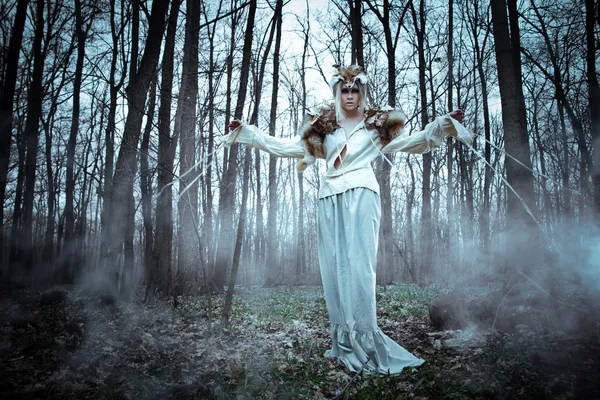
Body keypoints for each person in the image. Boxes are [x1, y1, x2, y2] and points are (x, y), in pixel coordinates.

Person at [223, 66, 472, 375]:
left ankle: (366, 340)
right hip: (330, 198)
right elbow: (289, 147)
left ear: (362, 93)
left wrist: (441, 126)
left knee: (359, 267)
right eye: (345, 90)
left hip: (362, 195)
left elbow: (412, 143)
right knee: (334, 266)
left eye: (355, 90)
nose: (350, 95)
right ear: (337, 93)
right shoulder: (323, 128)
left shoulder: (376, 126)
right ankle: (343, 339)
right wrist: (249, 133)